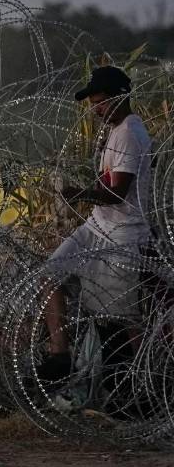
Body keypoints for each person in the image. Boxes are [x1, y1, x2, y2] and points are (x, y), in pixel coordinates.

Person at [37, 66, 153, 383]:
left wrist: (79, 193)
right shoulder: (115, 130)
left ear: (120, 97)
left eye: (101, 102)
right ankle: (60, 355)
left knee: (121, 315)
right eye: (93, 103)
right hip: (97, 227)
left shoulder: (130, 132)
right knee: (51, 271)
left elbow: (117, 193)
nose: (95, 110)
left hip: (123, 234)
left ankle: (143, 378)